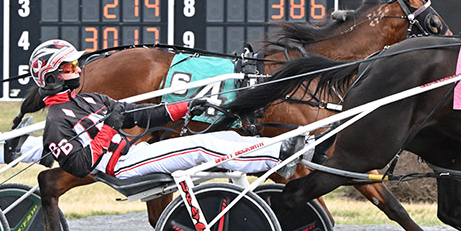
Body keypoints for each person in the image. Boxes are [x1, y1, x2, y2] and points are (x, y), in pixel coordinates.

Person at [29, 39, 298, 180]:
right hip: (121, 166)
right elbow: (79, 165)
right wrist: (109, 127)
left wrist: (188, 107)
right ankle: (279, 156)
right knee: (200, 148)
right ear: (51, 77)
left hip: (133, 152)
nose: (77, 71)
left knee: (229, 138)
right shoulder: (56, 121)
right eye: (69, 68)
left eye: (76, 65)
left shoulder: (88, 100)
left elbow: (139, 115)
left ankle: (282, 151)